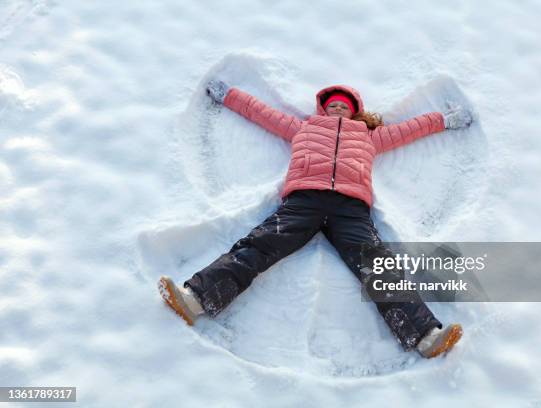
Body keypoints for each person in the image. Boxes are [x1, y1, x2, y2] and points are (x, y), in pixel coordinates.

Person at [158, 80, 473, 358]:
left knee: (377, 264)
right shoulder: (304, 128)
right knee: (259, 244)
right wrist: (229, 95)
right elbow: (261, 112)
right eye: (332, 105)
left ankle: (425, 337)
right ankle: (195, 299)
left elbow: (412, 129)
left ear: (353, 112)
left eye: (343, 106)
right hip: (304, 200)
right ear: (323, 109)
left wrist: (446, 120)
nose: (337, 108)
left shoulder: (368, 136)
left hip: (351, 208)